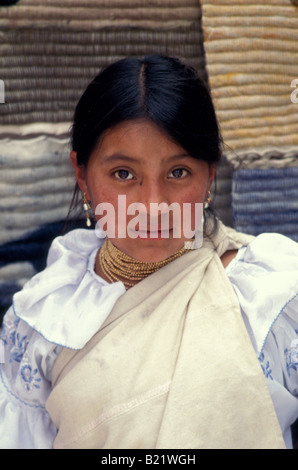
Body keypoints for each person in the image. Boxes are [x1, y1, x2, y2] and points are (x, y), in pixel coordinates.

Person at [0, 55, 298, 449]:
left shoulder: (273, 297)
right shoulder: (44, 317)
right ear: (82, 175)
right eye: (124, 174)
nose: (153, 204)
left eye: (178, 172)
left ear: (209, 175)